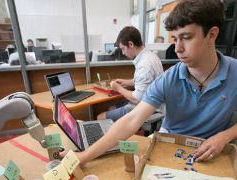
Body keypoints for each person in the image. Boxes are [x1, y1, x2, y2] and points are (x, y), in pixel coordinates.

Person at [64, 0, 237, 164]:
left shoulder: (234, 72)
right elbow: (132, 119)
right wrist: (83, 157)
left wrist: (225, 136)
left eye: (187, 37)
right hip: (170, 143)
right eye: (175, 39)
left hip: (211, 151)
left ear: (212, 35)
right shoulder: (169, 79)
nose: (178, 48)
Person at [97, 26, 163, 121]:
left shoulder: (145, 64)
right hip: (149, 102)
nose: (123, 53)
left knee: (100, 117)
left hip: (148, 108)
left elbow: (137, 98)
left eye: (123, 49)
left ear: (131, 44)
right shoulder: (150, 56)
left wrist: (118, 88)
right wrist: (126, 82)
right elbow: (147, 82)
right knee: (111, 108)